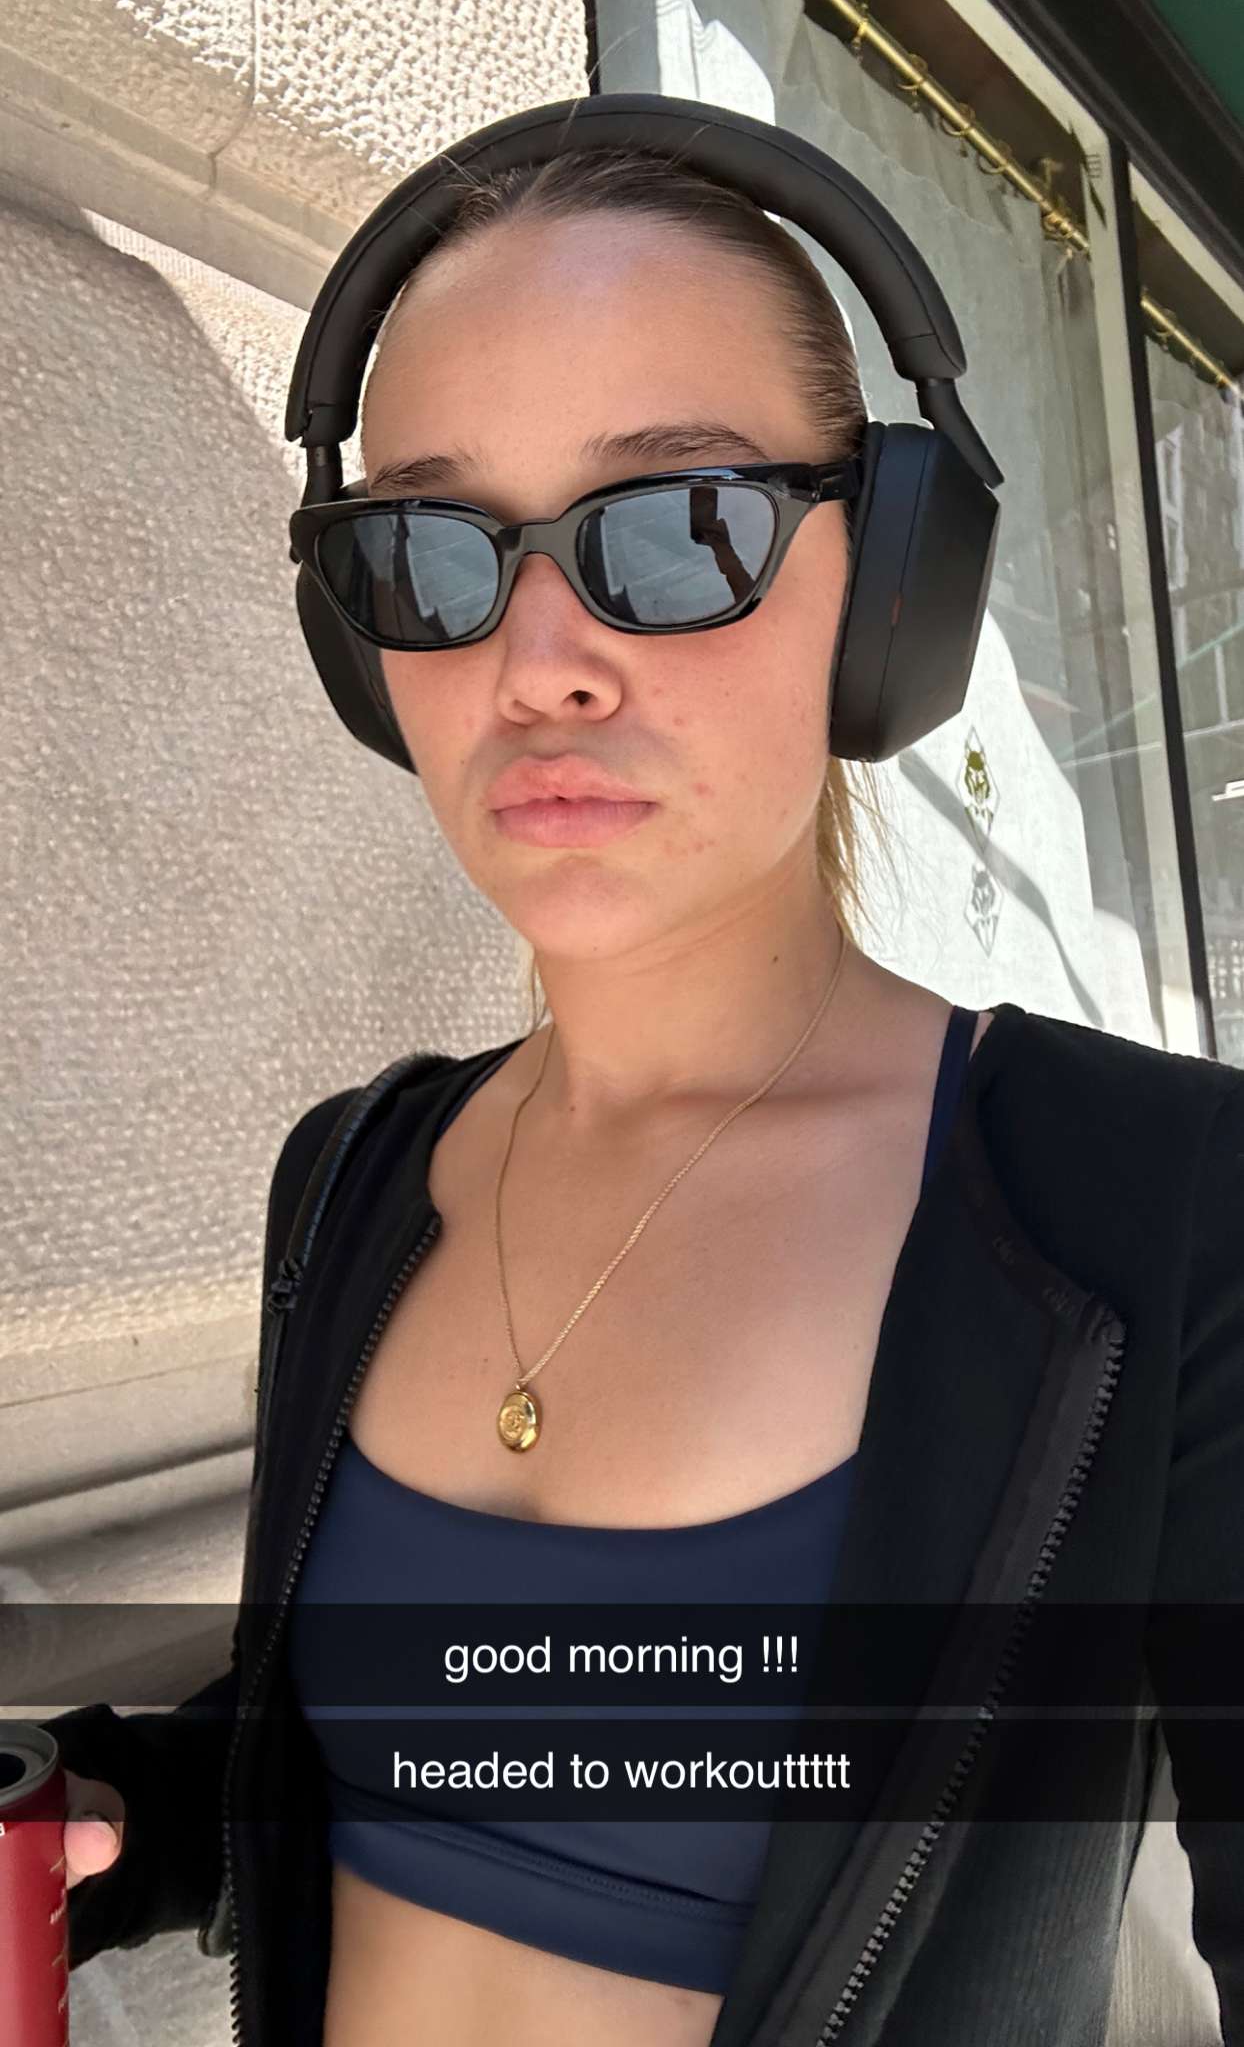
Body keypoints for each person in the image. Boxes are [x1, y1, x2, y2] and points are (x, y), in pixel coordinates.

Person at [50, 143, 1244, 2047]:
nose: (541, 668)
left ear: (897, 579)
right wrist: (126, 1816)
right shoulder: (354, 1176)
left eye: (679, 525)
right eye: (429, 553)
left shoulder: (1162, 1205)